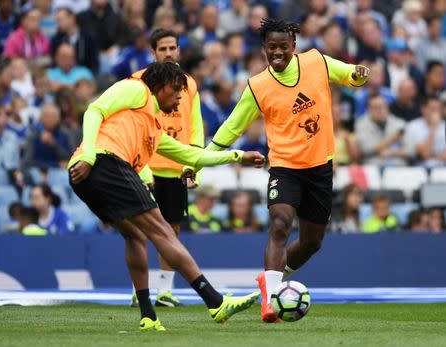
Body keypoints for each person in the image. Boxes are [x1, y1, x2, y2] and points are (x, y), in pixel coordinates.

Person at [68, 62, 264, 331]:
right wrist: (89, 153)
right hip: (102, 162)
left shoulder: (152, 129)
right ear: (160, 88)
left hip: (89, 177)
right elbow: (94, 110)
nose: (180, 97)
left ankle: (148, 316)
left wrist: (238, 156)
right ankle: (215, 301)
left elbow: (193, 155)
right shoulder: (137, 90)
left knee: (135, 236)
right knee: (163, 231)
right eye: (176, 90)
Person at [204, 18, 369, 323]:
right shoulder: (258, 85)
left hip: (320, 166)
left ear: (294, 45)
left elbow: (349, 76)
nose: (277, 52)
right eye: (271, 47)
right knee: (280, 224)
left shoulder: (316, 61)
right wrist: (202, 161)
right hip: (284, 166)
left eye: (283, 46)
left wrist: (359, 75)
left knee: (311, 242)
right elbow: (232, 126)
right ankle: (271, 298)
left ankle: (270, 282)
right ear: (264, 49)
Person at [130, 28, 205, 308]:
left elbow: (195, 128)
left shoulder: (190, 84)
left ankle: (164, 292)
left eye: (172, 48)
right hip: (143, 166)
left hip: (175, 168)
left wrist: (193, 163)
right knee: (138, 230)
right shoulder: (139, 81)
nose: (169, 53)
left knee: (171, 229)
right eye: (162, 49)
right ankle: (139, 292)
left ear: (179, 50)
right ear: (153, 53)